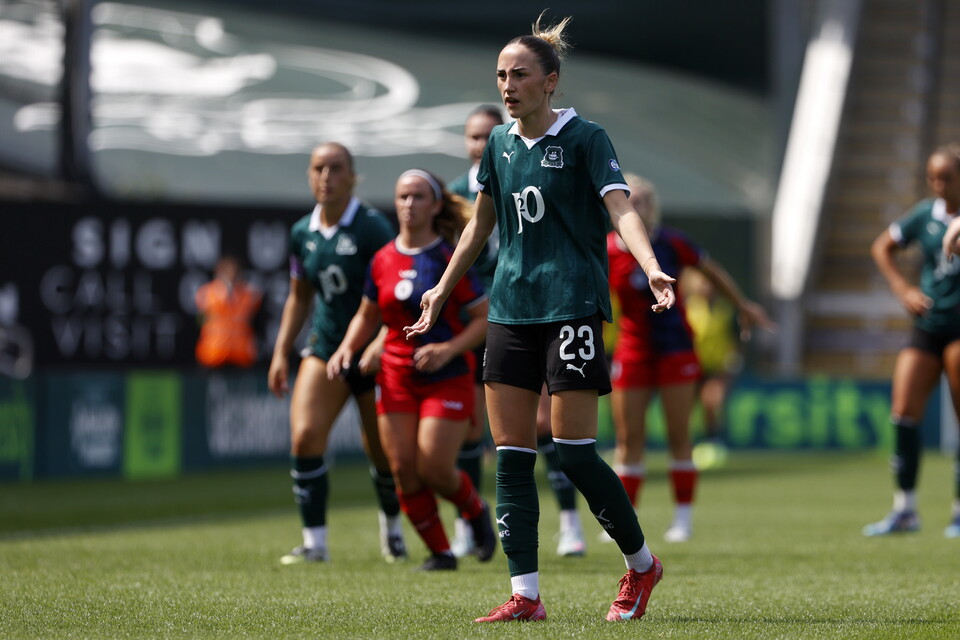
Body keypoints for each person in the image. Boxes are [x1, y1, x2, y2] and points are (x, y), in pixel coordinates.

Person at [405, 14, 675, 622]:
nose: (507, 85)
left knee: (575, 453)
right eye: (501, 75)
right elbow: (480, 223)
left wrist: (652, 265)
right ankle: (525, 594)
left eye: (519, 74)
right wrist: (442, 290)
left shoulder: (586, 138)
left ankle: (641, 565)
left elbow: (619, 208)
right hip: (510, 311)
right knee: (511, 456)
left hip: (573, 306)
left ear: (550, 82)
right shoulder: (499, 144)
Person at [328, 169, 497, 571]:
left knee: (434, 467)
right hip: (397, 376)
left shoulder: (448, 257)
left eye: (419, 197)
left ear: (436, 205)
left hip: (446, 375)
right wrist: (347, 348)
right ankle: (440, 552)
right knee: (403, 468)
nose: (408, 204)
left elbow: (483, 318)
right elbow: (369, 315)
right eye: (403, 196)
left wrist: (447, 348)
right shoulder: (383, 259)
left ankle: (475, 512)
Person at [448, 104, 586, 558]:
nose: (479, 143)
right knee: (470, 425)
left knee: (545, 423)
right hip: (469, 316)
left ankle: (569, 521)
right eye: (472, 136)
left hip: (523, 306)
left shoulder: (527, 168)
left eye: (487, 134)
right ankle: (467, 524)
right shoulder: (447, 195)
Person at [607, 174, 775, 543]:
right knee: (627, 438)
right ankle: (626, 522)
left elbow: (712, 272)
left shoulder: (673, 242)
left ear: (654, 207)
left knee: (679, 435)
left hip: (676, 347)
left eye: (644, 201)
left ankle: (683, 519)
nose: (637, 207)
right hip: (632, 350)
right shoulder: (608, 250)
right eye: (629, 200)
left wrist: (742, 306)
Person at [267, 142, 407, 564]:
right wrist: (279, 353)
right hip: (326, 348)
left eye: (335, 168)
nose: (326, 176)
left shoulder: (371, 227)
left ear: (352, 176)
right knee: (306, 436)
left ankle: (393, 529)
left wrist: (383, 342)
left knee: (382, 453)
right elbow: (299, 297)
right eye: (318, 168)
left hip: (372, 351)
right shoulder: (301, 232)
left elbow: (395, 293)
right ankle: (315, 543)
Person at [865, 143, 960, 538]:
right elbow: (881, 246)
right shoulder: (925, 214)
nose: (938, 184)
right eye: (932, 177)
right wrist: (903, 289)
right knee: (903, 412)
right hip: (927, 324)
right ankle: (905, 510)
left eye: (947, 177)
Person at [194, 255, 262, 368]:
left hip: (241, 355)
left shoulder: (250, 295)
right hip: (212, 354)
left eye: (234, 271)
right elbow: (200, 321)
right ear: (219, 272)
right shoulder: (206, 292)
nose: (231, 275)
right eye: (227, 271)